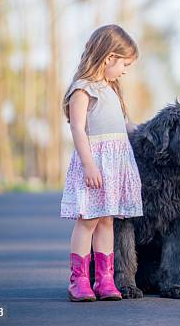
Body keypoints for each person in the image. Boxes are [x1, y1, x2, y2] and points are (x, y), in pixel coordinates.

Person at [60, 24, 144, 302]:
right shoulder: (82, 90)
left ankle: (105, 279)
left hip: (115, 165)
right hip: (95, 164)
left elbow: (123, 126)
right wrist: (89, 165)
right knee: (89, 221)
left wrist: (143, 131)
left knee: (107, 221)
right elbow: (77, 129)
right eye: (124, 64)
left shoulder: (112, 89)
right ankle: (79, 279)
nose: (124, 70)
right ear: (109, 57)